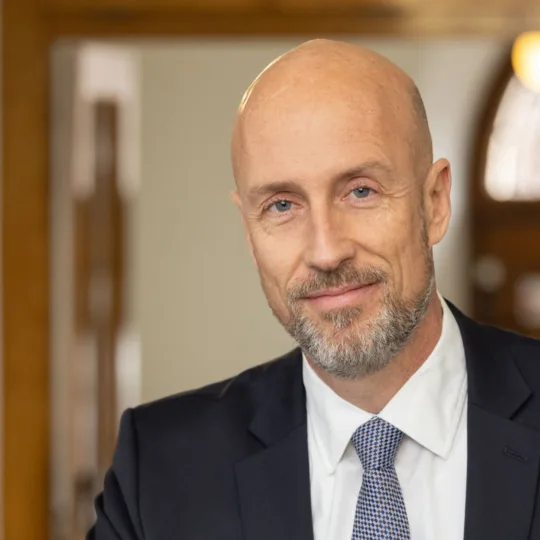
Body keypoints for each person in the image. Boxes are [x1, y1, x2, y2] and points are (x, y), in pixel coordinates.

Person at [88, 40, 540, 540]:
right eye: (282, 206)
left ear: (434, 203)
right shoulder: (158, 470)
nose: (326, 252)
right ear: (248, 229)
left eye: (360, 191)